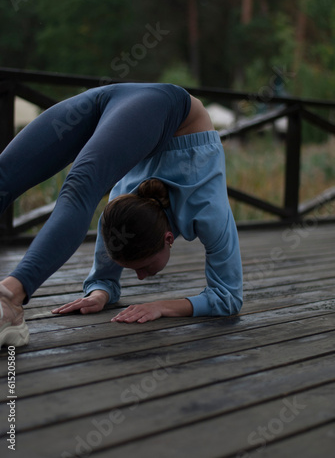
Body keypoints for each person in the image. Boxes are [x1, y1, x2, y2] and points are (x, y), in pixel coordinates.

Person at [0, 82, 243, 348]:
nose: (139, 277)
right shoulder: (209, 210)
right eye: (142, 267)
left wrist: (105, 293)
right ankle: (10, 298)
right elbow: (227, 296)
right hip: (160, 107)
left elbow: (228, 297)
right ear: (169, 237)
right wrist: (106, 289)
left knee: (66, 183)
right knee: (54, 183)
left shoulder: (117, 211)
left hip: (128, 106)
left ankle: (9, 293)